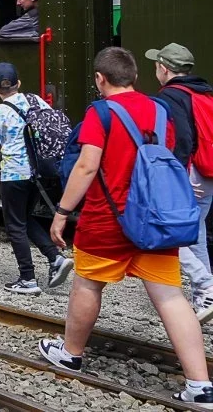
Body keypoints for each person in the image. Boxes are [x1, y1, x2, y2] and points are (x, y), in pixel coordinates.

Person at [41, 47, 213, 408]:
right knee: (170, 296)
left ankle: (70, 353)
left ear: (100, 79)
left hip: (108, 220)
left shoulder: (100, 113)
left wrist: (61, 212)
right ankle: (200, 385)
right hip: (154, 221)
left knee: (87, 284)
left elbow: (87, 167)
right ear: (135, 77)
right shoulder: (159, 109)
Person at [0, 62, 74, 294]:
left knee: (15, 225)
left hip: (14, 174)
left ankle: (27, 279)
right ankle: (55, 258)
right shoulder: (35, 100)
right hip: (40, 171)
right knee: (24, 218)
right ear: (19, 83)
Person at [149, 42, 213, 322]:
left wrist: (176, 176)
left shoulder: (172, 96)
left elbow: (184, 138)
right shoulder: (204, 91)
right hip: (208, 172)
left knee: (169, 231)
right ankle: (206, 296)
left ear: (164, 68)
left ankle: (205, 284)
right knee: (195, 233)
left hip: (189, 172)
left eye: (156, 65)